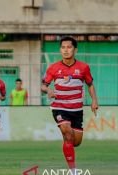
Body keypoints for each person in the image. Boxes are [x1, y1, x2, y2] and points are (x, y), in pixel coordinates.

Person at [41, 36, 98, 174]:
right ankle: (73, 171)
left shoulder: (83, 67)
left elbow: (90, 84)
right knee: (67, 134)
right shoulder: (53, 68)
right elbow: (43, 85)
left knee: (75, 142)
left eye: (69, 47)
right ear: (60, 50)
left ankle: (68, 144)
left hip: (77, 110)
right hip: (59, 107)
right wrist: (48, 90)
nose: (66, 50)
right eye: (63, 47)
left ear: (75, 49)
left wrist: (94, 100)